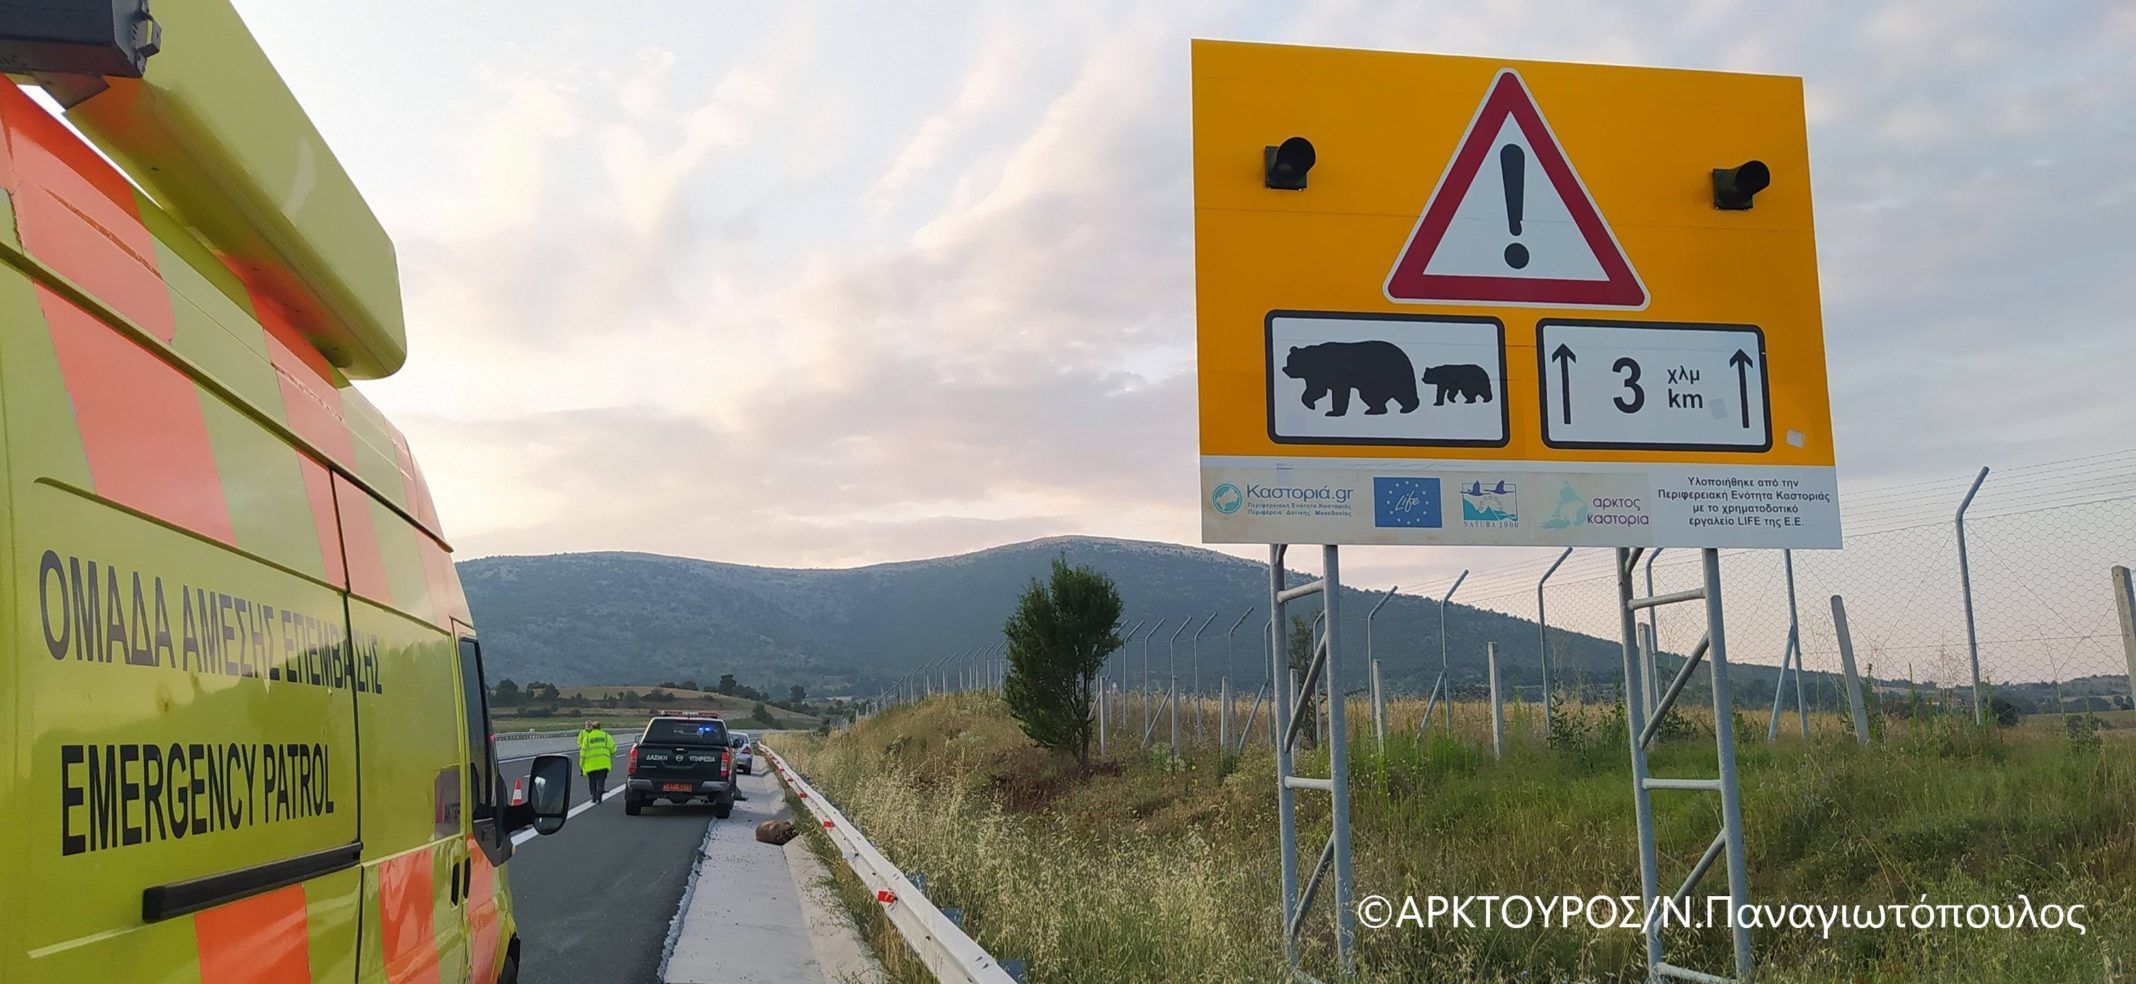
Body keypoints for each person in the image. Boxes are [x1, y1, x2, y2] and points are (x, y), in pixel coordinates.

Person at [578, 720, 616, 802]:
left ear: (592, 727)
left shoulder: (587, 738)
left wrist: (581, 765)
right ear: (600, 727)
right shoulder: (606, 736)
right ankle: (599, 795)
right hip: (603, 764)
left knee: (592, 781)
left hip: (590, 765)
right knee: (601, 781)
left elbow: (582, 753)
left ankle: (593, 796)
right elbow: (613, 749)